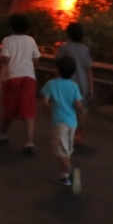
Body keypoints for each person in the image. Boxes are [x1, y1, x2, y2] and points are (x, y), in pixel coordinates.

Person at [0, 13, 40, 154]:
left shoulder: (7, 41)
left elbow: (5, 61)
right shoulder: (31, 40)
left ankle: (2, 133)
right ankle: (29, 143)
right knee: (28, 109)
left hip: (12, 77)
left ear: (12, 26)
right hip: (29, 78)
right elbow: (36, 59)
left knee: (10, 107)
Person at [41, 55, 84, 191]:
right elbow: (78, 105)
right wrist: (82, 115)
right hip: (72, 122)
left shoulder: (51, 84)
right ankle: (65, 176)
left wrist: (47, 109)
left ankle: (71, 171)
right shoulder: (74, 86)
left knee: (58, 150)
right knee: (67, 150)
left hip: (60, 123)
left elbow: (45, 103)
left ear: (57, 69)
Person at [55, 22, 94, 143]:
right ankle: (78, 132)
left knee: (66, 108)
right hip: (82, 84)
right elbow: (88, 70)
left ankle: (68, 133)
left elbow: (57, 66)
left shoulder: (64, 48)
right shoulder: (85, 49)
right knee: (81, 108)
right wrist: (91, 87)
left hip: (67, 83)